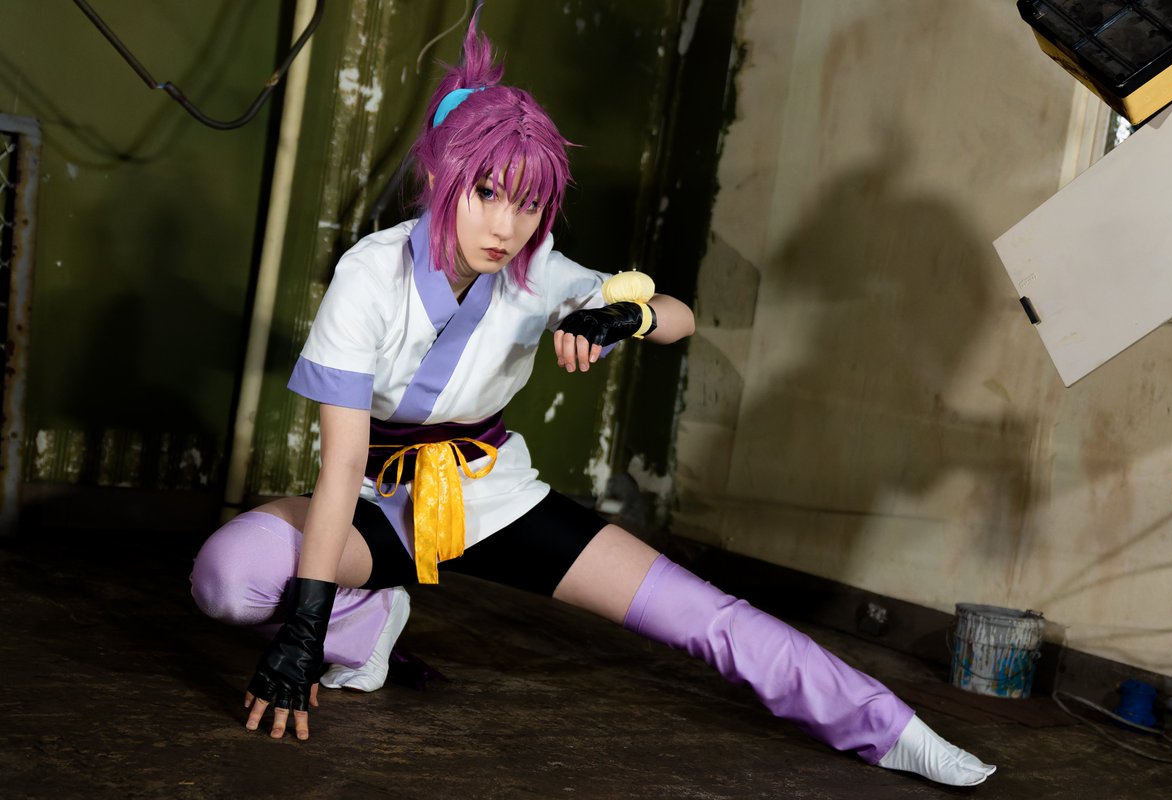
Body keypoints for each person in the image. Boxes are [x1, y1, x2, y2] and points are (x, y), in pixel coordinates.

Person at [190, 15, 996, 788]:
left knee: (704, 615)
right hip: (376, 500)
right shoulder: (370, 275)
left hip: (491, 496)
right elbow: (339, 468)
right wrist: (304, 632)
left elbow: (676, 317)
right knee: (230, 577)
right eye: (486, 193)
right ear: (439, 176)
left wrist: (622, 316)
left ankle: (889, 728)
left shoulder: (535, 269)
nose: (506, 226)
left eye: (528, 204)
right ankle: (365, 628)